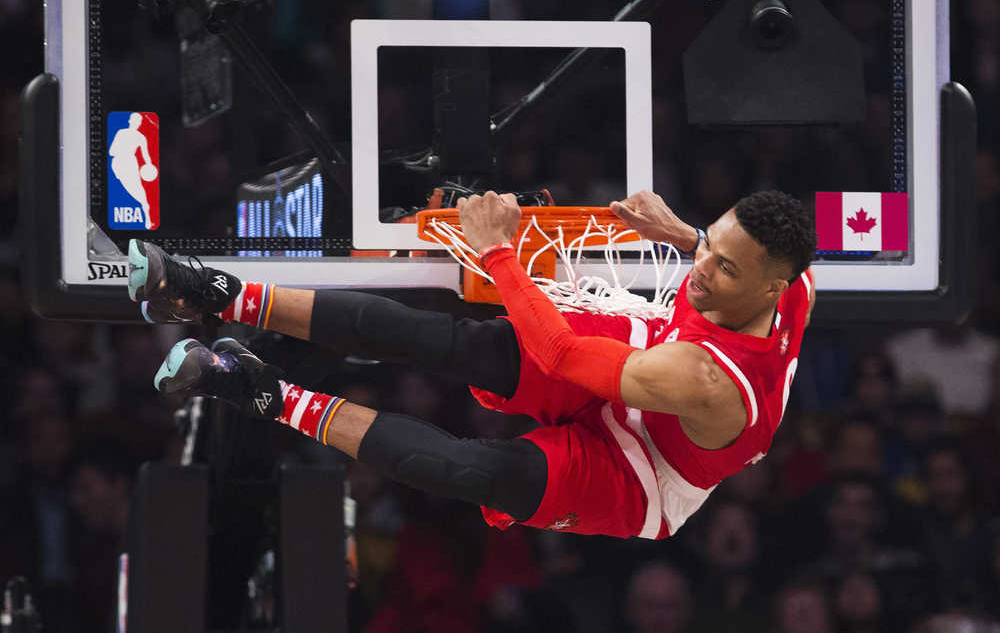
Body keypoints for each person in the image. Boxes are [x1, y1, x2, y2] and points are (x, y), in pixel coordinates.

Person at [130, 189, 816, 539]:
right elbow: (723, 253)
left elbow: (564, 355)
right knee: (467, 348)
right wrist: (687, 234)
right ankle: (212, 291)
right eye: (712, 245)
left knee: (476, 473)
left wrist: (496, 252)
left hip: (647, 470)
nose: (701, 270)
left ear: (769, 291)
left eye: (723, 268)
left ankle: (260, 390)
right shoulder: (796, 284)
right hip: (644, 355)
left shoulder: (708, 381)